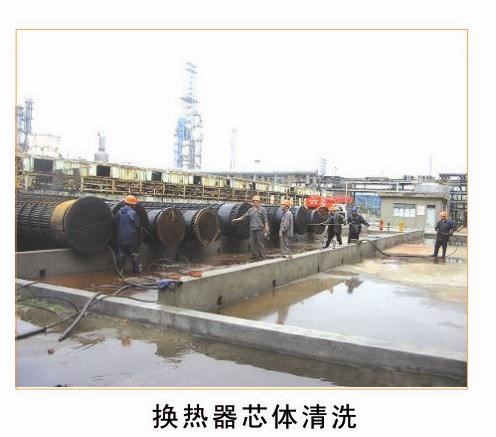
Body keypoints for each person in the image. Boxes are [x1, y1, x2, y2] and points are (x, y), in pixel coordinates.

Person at [232, 195, 270, 260]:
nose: (256, 202)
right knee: (252, 243)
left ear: (259, 202)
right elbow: (244, 216)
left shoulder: (262, 210)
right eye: (255, 201)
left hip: (259, 229)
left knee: (260, 243)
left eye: (257, 201)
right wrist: (237, 219)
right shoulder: (250, 210)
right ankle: (254, 255)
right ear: (253, 202)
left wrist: (266, 227)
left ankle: (262, 255)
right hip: (252, 229)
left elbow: (265, 220)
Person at [115, 195, 141, 274]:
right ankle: (136, 271)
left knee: (120, 254)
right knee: (134, 254)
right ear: (132, 204)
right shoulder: (133, 213)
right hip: (131, 238)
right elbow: (137, 225)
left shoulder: (119, 212)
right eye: (134, 204)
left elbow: (115, 223)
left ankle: (120, 272)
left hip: (120, 238)